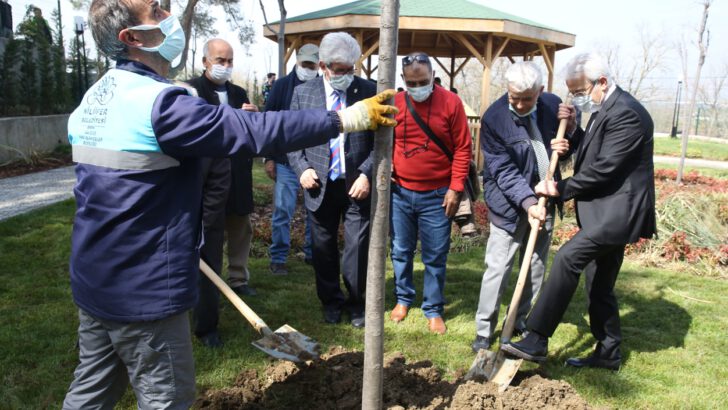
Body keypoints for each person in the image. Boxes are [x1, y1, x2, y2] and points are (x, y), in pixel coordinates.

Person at [62, 0, 396, 406]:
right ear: (132, 38)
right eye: (156, 11)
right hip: (143, 293)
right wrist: (341, 120)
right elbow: (250, 129)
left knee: (90, 393)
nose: (170, 16)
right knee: (167, 398)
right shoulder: (159, 105)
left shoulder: (94, 99)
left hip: (95, 279)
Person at [503, 52, 656, 370]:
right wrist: (572, 131)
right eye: (571, 91)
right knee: (599, 283)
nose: (575, 97)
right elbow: (596, 149)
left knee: (567, 258)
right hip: (607, 211)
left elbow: (605, 168)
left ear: (601, 82)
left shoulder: (627, 113)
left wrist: (559, 188)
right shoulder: (607, 108)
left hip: (619, 213)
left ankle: (536, 338)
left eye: (579, 91)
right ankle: (608, 352)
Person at [471, 61, 570, 352]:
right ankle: (483, 332)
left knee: (535, 268)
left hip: (546, 201)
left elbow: (565, 150)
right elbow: (503, 170)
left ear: (540, 91)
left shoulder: (553, 106)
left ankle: (518, 321)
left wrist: (570, 133)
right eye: (514, 97)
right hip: (509, 206)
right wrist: (528, 203)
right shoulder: (495, 118)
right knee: (498, 269)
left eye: (527, 98)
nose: (520, 103)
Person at [287, 32, 375, 328]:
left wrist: (367, 173)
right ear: (323, 66)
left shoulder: (368, 90)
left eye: (351, 68)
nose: (346, 75)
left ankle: (356, 303)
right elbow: (292, 137)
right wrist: (301, 168)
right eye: (339, 70)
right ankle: (331, 302)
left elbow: (384, 142)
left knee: (357, 248)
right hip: (319, 183)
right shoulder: (303, 93)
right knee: (323, 248)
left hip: (356, 184)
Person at [389, 52, 471, 335]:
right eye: (412, 83)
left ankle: (433, 308)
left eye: (423, 81)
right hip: (400, 192)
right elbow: (386, 141)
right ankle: (403, 298)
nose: (418, 87)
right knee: (401, 250)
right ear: (403, 80)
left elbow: (462, 148)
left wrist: (455, 187)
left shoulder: (451, 102)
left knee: (435, 255)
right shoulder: (396, 103)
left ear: (433, 76)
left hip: (437, 194)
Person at [186, 38, 255, 349]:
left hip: (236, 178)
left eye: (229, 61)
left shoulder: (240, 93)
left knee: (240, 229)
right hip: (204, 184)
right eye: (219, 60)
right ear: (205, 61)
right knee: (207, 249)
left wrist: (251, 118)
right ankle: (204, 321)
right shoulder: (190, 91)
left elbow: (253, 135)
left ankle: (238, 280)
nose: (225, 66)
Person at [263, 43, 319, 275]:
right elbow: (268, 121)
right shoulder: (282, 86)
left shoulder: (321, 86)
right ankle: (278, 258)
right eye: (305, 64)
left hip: (315, 162)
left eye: (312, 65)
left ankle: (312, 254)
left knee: (313, 212)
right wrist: (268, 157)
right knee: (283, 211)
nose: (308, 69)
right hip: (285, 161)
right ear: (297, 61)